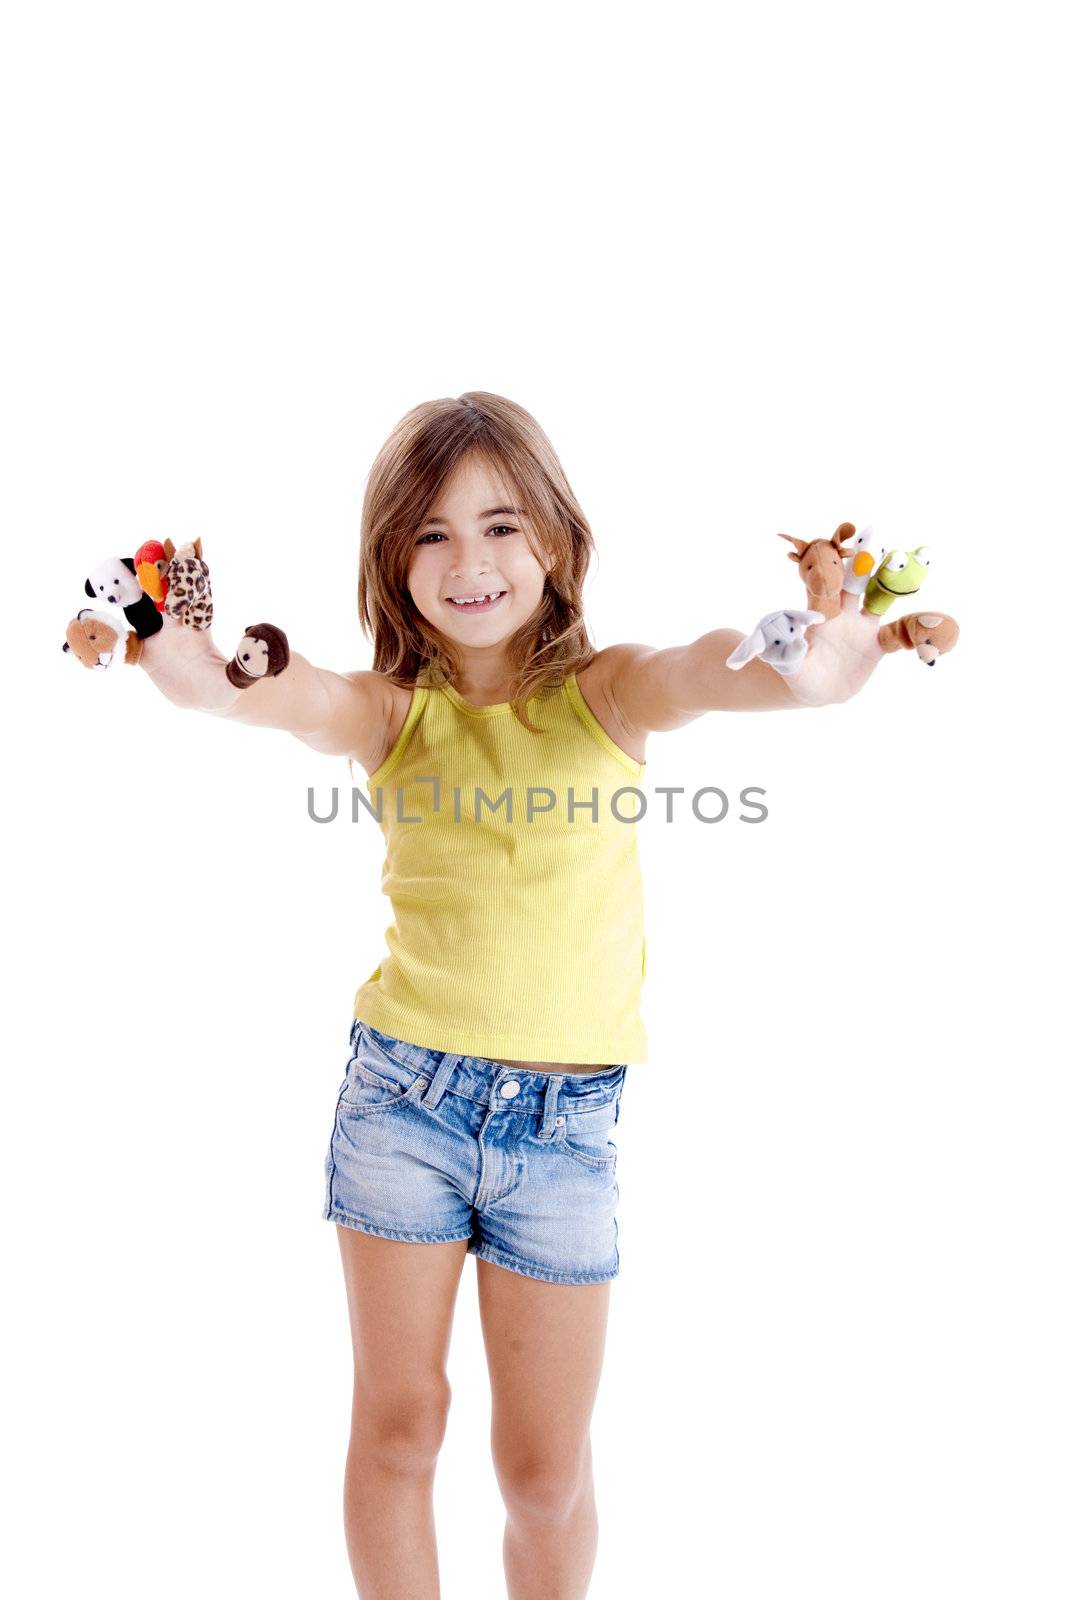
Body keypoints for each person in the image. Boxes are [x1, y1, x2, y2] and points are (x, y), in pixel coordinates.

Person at [138, 391, 886, 1599]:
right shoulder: (390, 715)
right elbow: (280, 694)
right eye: (430, 535)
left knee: (542, 1472)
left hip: (563, 1133)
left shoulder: (606, 695)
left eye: (498, 525)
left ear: (554, 537)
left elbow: (706, 671)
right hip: (401, 1106)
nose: (469, 562)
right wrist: (199, 679)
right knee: (400, 1427)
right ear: (393, 561)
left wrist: (810, 673)